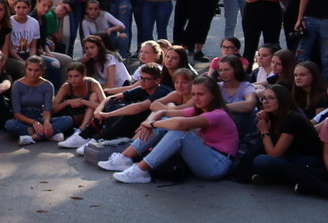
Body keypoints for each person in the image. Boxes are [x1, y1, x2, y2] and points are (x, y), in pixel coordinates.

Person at [99, 76, 238, 183]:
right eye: (194, 94)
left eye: (201, 94)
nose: (196, 98)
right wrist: (154, 120)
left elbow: (178, 125)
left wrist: (152, 124)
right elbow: (165, 112)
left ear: (213, 95)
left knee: (179, 132)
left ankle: (140, 171)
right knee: (165, 122)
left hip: (217, 164)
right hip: (204, 155)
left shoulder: (218, 114)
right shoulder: (198, 110)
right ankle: (124, 158)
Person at [250, 85, 324, 185]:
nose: (265, 102)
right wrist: (265, 125)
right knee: (257, 156)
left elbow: (274, 154)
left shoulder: (292, 118)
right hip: (289, 156)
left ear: (282, 100)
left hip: (307, 160)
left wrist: (264, 131)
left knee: (262, 161)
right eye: (263, 98)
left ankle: (289, 179)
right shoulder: (273, 116)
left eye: (271, 98)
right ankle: (283, 178)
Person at [5, 56, 72, 144]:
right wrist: (34, 123)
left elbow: (47, 109)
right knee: (10, 124)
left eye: (36, 70)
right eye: (30, 70)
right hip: (24, 119)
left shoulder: (48, 85)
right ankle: (50, 134)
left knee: (68, 120)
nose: (33, 73)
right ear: (25, 69)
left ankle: (33, 137)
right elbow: (17, 114)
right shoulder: (17, 85)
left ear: (42, 71)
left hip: (40, 117)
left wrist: (47, 122)